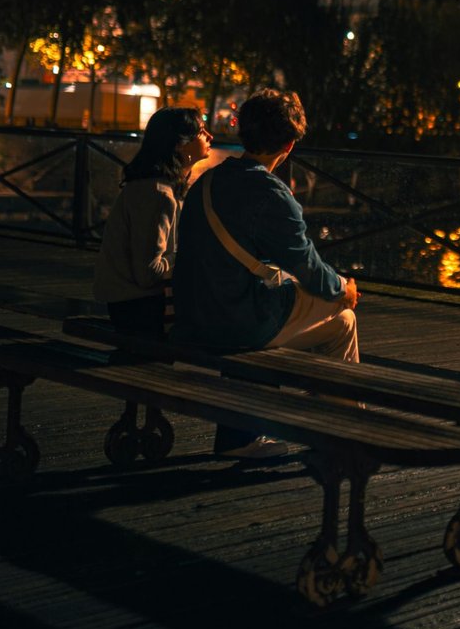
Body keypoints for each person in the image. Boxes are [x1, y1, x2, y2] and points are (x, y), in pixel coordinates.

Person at [172, 88, 360, 458]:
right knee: (346, 315)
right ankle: (342, 428)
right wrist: (343, 288)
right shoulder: (272, 194)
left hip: (193, 316)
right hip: (236, 322)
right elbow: (309, 269)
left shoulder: (206, 183)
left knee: (339, 323)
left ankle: (249, 431)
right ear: (289, 145)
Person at [93, 107, 213, 337]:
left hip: (134, 303)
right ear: (179, 144)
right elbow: (148, 272)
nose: (210, 137)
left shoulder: (160, 188)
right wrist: (193, 254)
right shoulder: (157, 194)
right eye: (201, 132)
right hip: (139, 308)